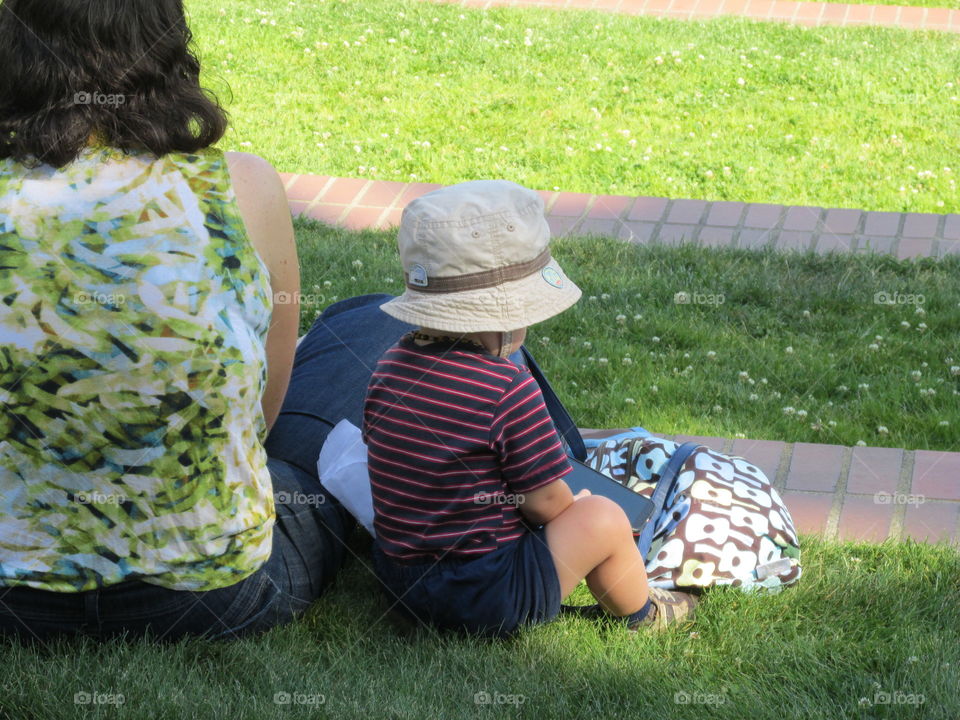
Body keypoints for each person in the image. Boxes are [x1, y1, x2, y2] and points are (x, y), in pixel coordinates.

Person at [0, 0, 411, 641]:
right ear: (165, 45)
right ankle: (572, 489)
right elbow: (264, 415)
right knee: (374, 324)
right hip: (207, 593)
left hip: (13, 601)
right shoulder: (239, 185)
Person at [363, 180, 698, 638]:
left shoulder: (388, 367)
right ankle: (642, 613)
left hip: (401, 580)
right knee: (601, 518)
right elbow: (543, 503)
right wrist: (573, 504)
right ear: (504, 319)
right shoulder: (506, 388)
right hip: (481, 594)